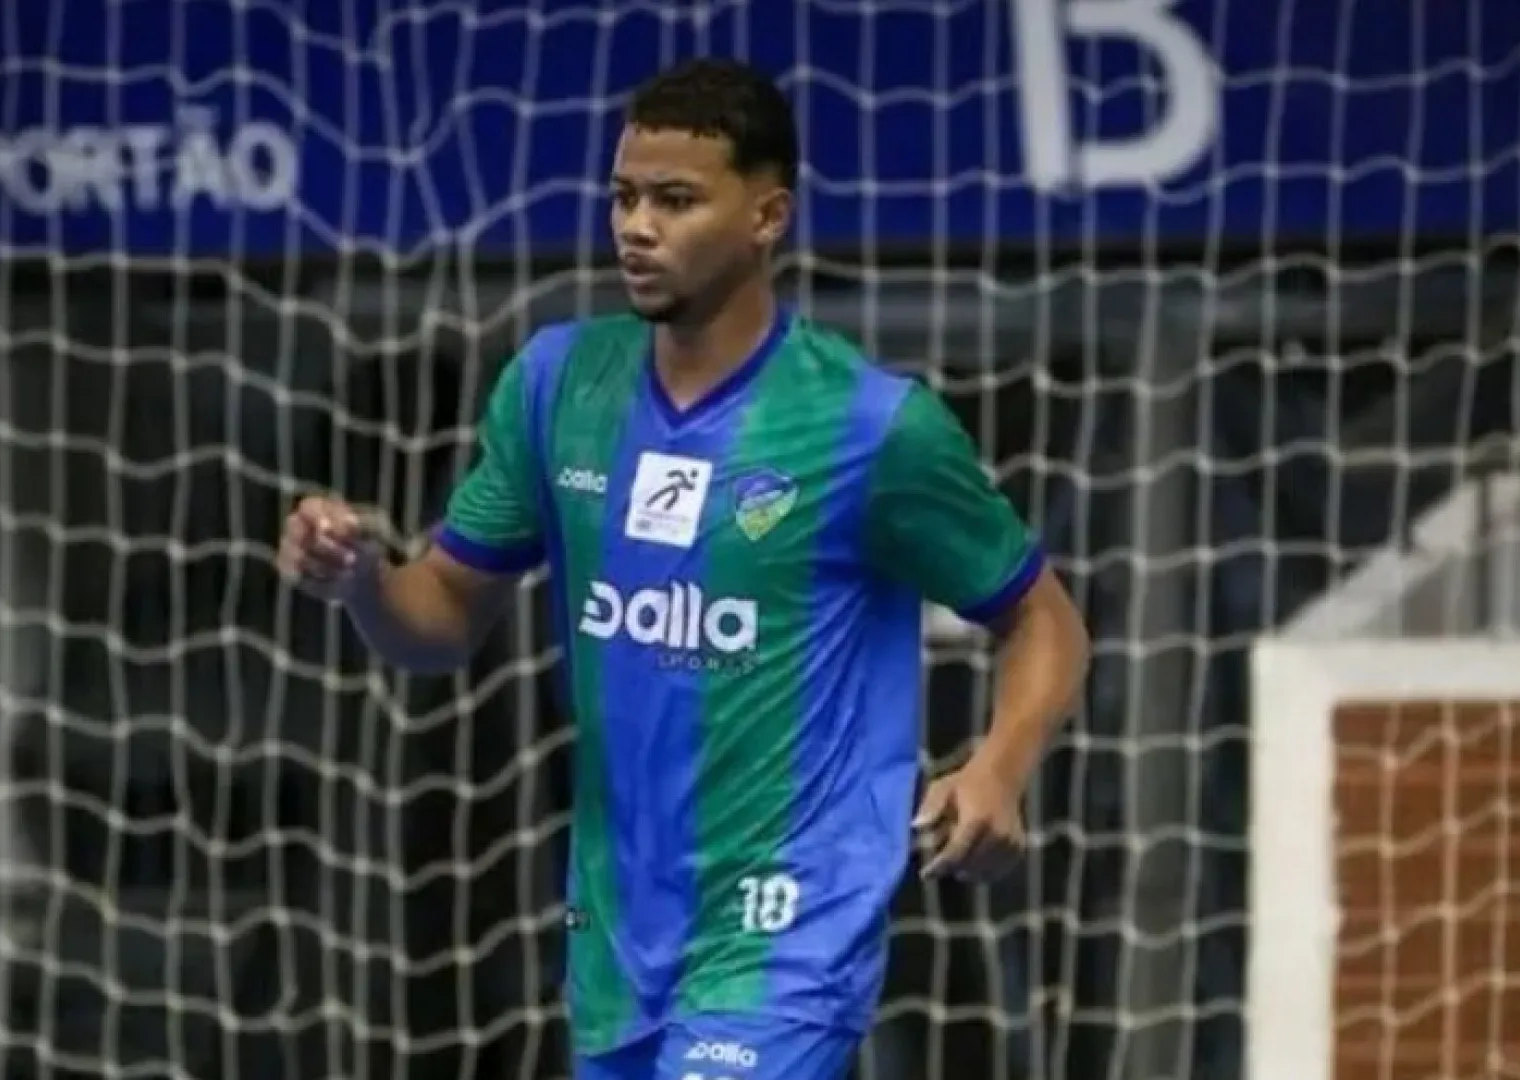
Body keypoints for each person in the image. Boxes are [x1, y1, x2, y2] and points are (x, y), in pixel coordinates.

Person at [276, 57, 1089, 1080]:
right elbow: (440, 619)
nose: (637, 227)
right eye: (623, 197)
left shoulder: (873, 426)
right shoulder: (557, 386)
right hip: (621, 935)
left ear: (767, 216)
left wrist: (999, 768)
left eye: (675, 200)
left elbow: (1046, 619)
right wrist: (362, 580)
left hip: (791, 930)